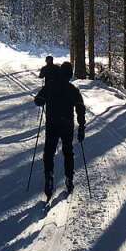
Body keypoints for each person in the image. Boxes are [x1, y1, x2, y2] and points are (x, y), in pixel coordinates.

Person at [33, 61, 86, 198]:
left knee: (49, 152)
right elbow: (80, 109)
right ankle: (69, 179)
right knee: (68, 152)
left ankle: (49, 177)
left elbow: (38, 100)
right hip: (67, 125)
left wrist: (42, 100)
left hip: (52, 124)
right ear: (70, 75)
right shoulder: (73, 90)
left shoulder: (50, 86)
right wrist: (81, 127)